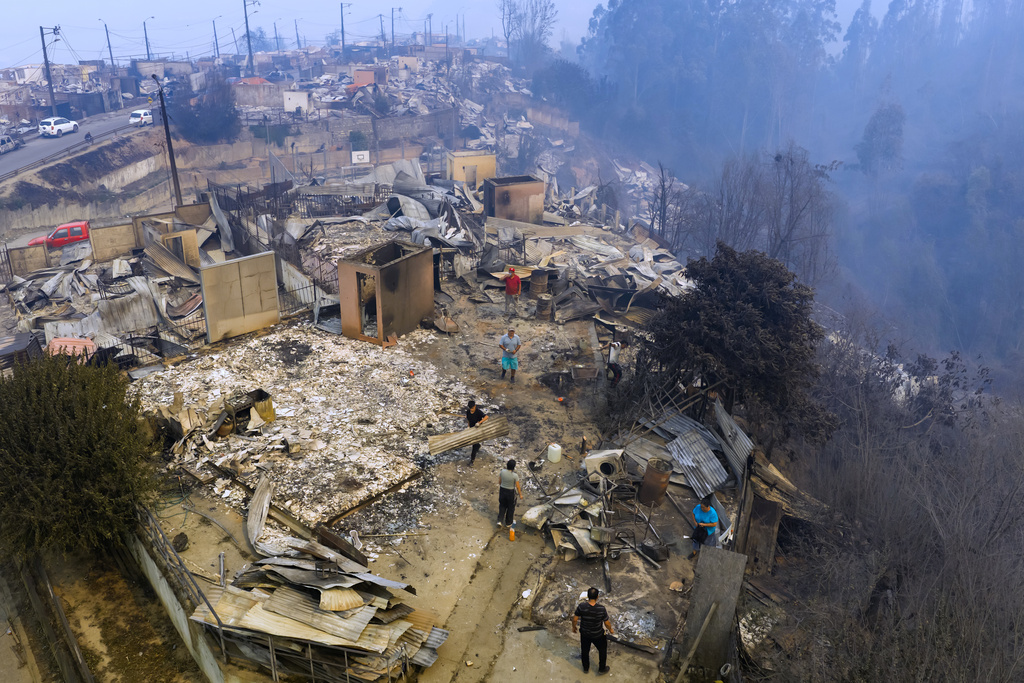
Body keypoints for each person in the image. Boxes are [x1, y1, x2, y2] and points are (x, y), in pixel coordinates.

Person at [572, 587, 614, 675]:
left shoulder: (582, 606)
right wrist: (610, 629)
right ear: (597, 597)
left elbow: (575, 619)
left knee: (585, 651)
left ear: (587, 596)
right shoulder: (601, 609)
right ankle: (602, 669)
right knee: (602, 650)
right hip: (598, 634)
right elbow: (606, 623)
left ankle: (586, 668)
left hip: (585, 634)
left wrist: (574, 627)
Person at [497, 459, 524, 539]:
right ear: (513, 467)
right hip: (510, 493)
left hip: (502, 490)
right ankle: (508, 522)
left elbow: (499, 482)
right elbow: (518, 487)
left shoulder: (502, 472)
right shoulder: (515, 476)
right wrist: (520, 495)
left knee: (502, 505)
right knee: (510, 507)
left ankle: (500, 520)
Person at [465, 400, 488, 465]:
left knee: (474, 445)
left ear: (475, 406)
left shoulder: (478, 412)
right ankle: (478, 445)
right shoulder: (468, 412)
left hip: (478, 429)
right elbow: (468, 420)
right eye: (470, 408)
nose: (471, 409)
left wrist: (479, 422)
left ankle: (472, 461)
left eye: (472, 408)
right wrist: (468, 427)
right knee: (475, 443)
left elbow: (486, 417)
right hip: (472, 429)